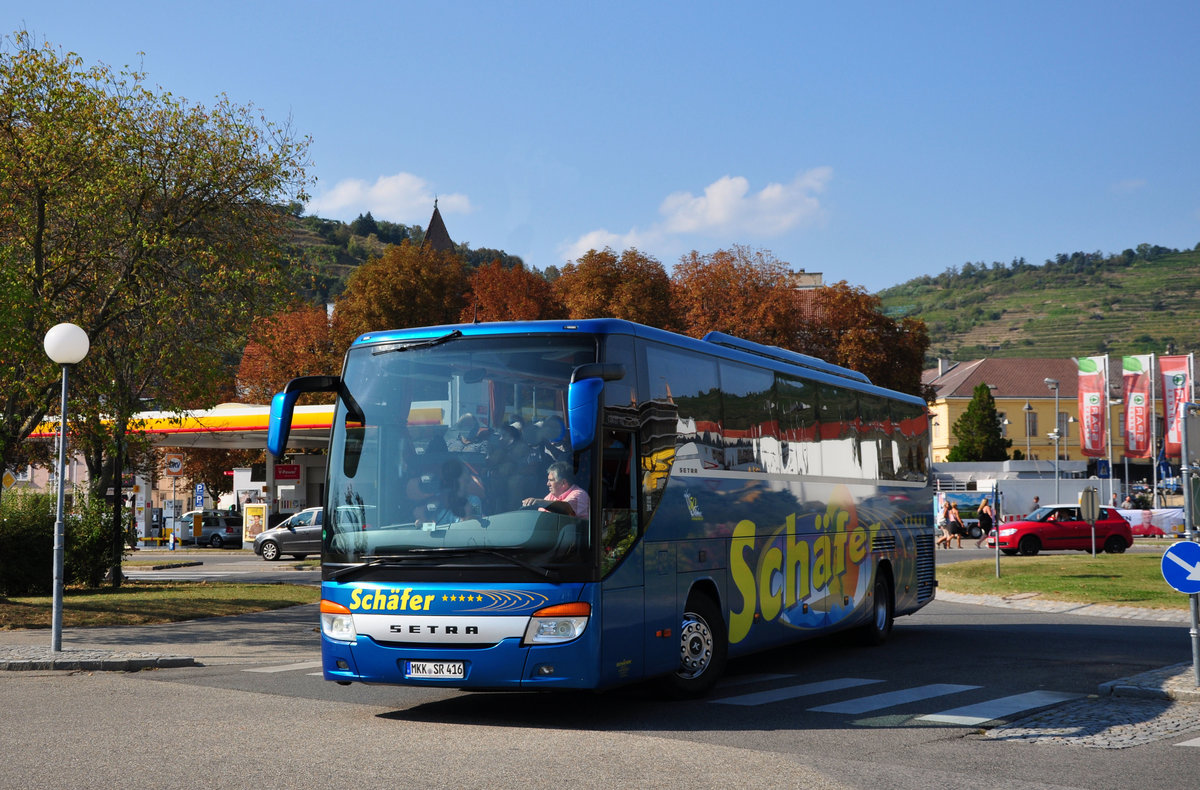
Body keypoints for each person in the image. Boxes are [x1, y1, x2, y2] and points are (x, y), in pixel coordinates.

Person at [522, 461, 590, 518]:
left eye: (551, 480)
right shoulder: (551, 496)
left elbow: (566, 508)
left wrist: (539, 502)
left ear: (563, 483)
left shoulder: (579, 494)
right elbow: (542, 516)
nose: (547, 484)